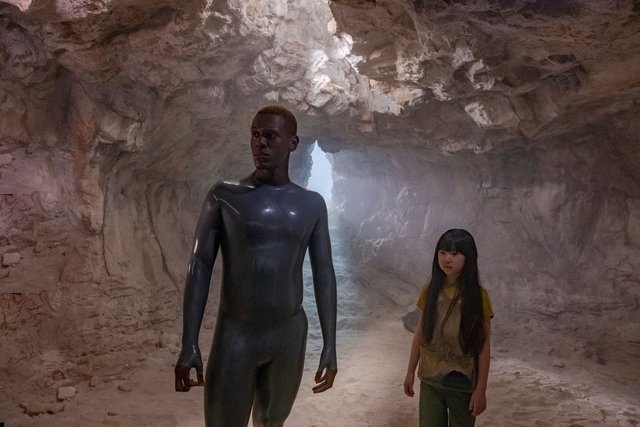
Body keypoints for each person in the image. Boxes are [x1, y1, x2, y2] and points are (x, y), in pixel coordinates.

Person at [174, 105, 338, 427]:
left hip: (288, 335)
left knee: (272, 422)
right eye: (255, 134)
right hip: (237, 335)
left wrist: (330, 343)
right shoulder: (224, 197)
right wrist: (189, 342)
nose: (260, 142)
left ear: (292, 143)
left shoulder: (311, 205)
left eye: (270, 136)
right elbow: (200, 265)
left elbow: (324, 273)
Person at [404, 229, 493, 427]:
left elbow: (484, 345)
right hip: (430, 380)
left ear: (468, 257)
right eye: (443, 252)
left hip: (463, 382)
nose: (447, 259)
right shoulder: (430, 291)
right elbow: (420, 334)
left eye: (455, 253)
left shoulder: (478, 297)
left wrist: (481, 389)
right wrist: (410, 372)